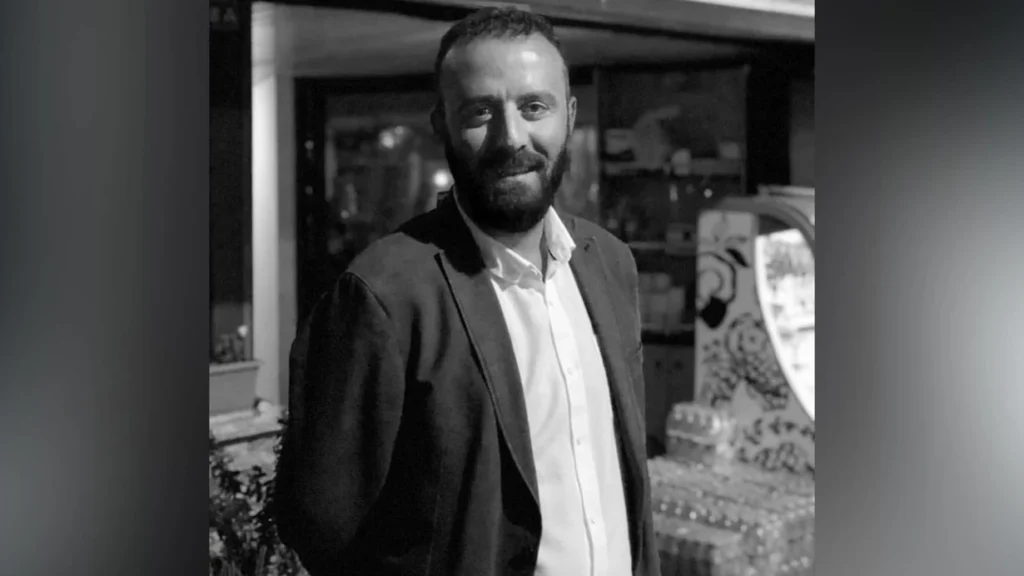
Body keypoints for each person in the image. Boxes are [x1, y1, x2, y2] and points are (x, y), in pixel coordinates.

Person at [274, 8, 660, 576]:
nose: (512, 138)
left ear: (570, 116)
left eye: (534, 107)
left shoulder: (609, 264)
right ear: (442, 125)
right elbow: (323, 526)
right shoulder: (383, 296)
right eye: (480, 111)